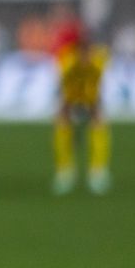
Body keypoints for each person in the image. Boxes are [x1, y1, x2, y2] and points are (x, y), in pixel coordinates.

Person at [53, 27, 111, 195]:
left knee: (99, 124)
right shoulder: (67, 61)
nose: (86, 55)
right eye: (82, 50)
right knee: (61, 124)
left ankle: (98, 171)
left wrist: (94, 105)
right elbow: (64, 86)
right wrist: (66, 107)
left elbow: (99, 84)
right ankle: (65, 171)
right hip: (71, 96)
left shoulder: (100, 59)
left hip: (91, 96)